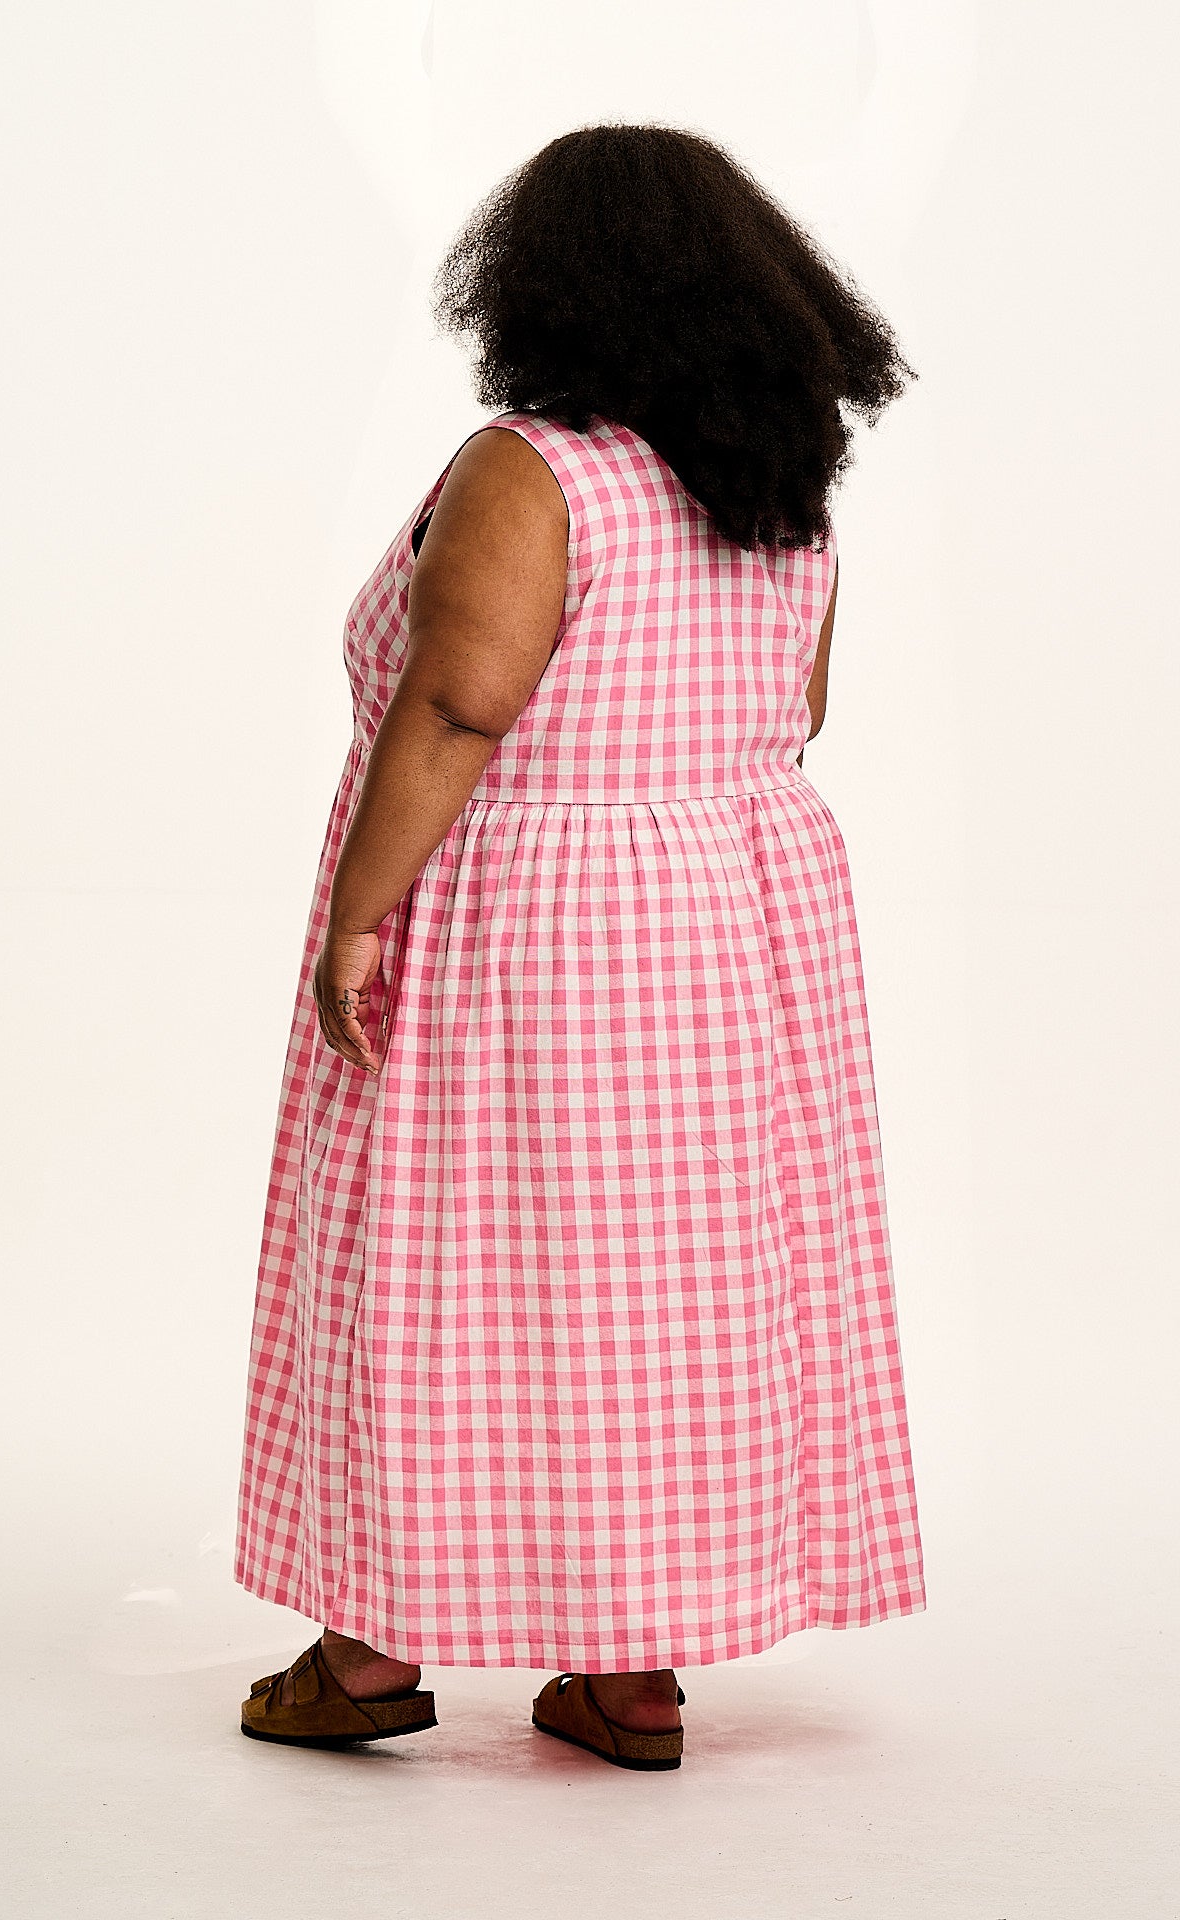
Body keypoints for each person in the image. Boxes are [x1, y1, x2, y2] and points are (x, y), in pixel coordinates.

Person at [234, 124, 927, 1773]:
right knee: (666, 1277)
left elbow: (459, 706)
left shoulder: (530, 471)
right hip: (733, 918)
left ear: (545, 286)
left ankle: (369, 1651)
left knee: (446, 1258)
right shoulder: (778, 480)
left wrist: (358, 919)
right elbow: (799, 709)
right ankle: (630, 1674)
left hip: (534, 920)